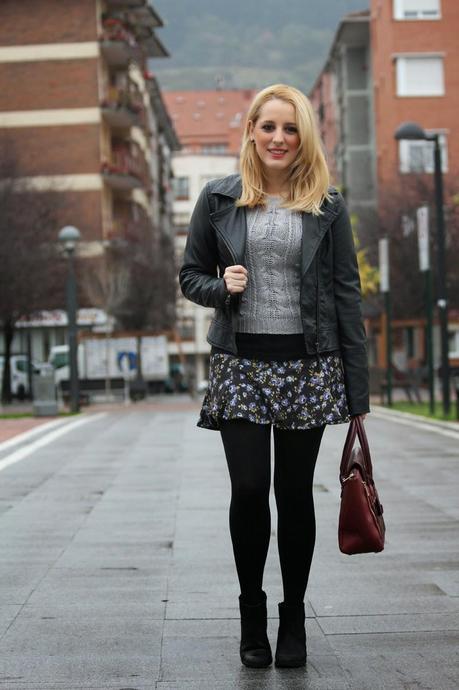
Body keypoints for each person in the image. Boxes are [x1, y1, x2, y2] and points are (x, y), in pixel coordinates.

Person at [179, 84, 369, 670]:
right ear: (251, 133)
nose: (279, 139)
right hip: (240, 363)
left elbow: (346, 295)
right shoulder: (218, 199)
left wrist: (357, 393)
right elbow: (189, 276)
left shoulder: (327, 206)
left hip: (309, 367)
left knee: (294, 494)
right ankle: (251, 615)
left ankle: (293, 619)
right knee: (247, 490)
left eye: (290, 129)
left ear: (303, 135)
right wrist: (221, 287)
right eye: (268, 127)